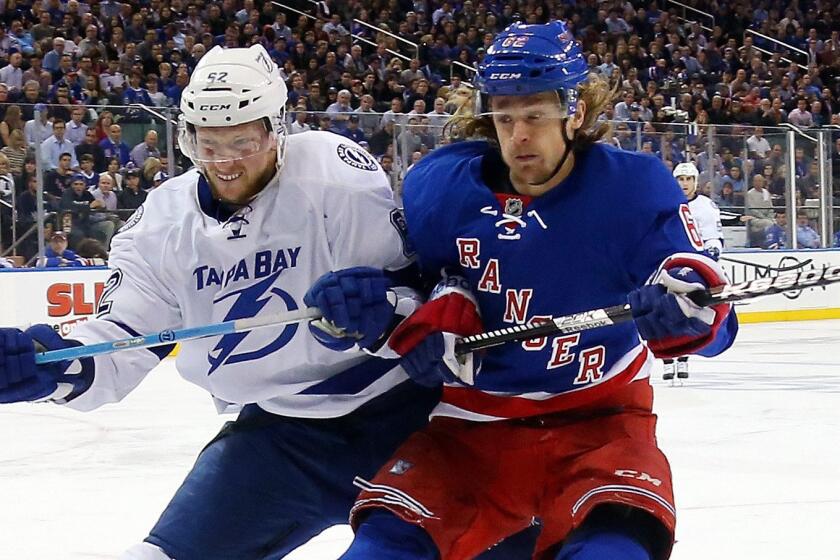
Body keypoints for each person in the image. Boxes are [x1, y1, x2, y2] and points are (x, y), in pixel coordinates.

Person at [0, 44, 528, 560]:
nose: (225, 162)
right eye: (207, 145)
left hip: (405, 419)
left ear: (276, 130)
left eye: (242, 143)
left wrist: (384, 313)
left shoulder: (334, 176)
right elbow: (122, 339)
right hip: (280, 437)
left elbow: (420, 294)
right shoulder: (160, 227)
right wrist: (54, 365)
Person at [324, 22, 738, 560]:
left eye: (536, 116)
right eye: (505, 116)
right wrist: (377, 308)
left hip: (603, 424)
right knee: (381, 549)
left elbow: (715, 320)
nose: (519, 135)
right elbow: (416, 292)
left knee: (616, 550)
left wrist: (689, 313)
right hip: (471, 430)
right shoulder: (440, 189)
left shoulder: (631, 188)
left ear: (576, 114)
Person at [662, 162, 724, 381]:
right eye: (681, 179)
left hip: (693, 267)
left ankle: (684, 356)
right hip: (668, 265)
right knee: (665, 311)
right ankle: (668, 360)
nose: (684, 184)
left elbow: (713, 236)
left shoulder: (706, 206)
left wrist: (713, 250)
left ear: (695, 182)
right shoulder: (665, 203)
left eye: (689, 179)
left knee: (689, 312)